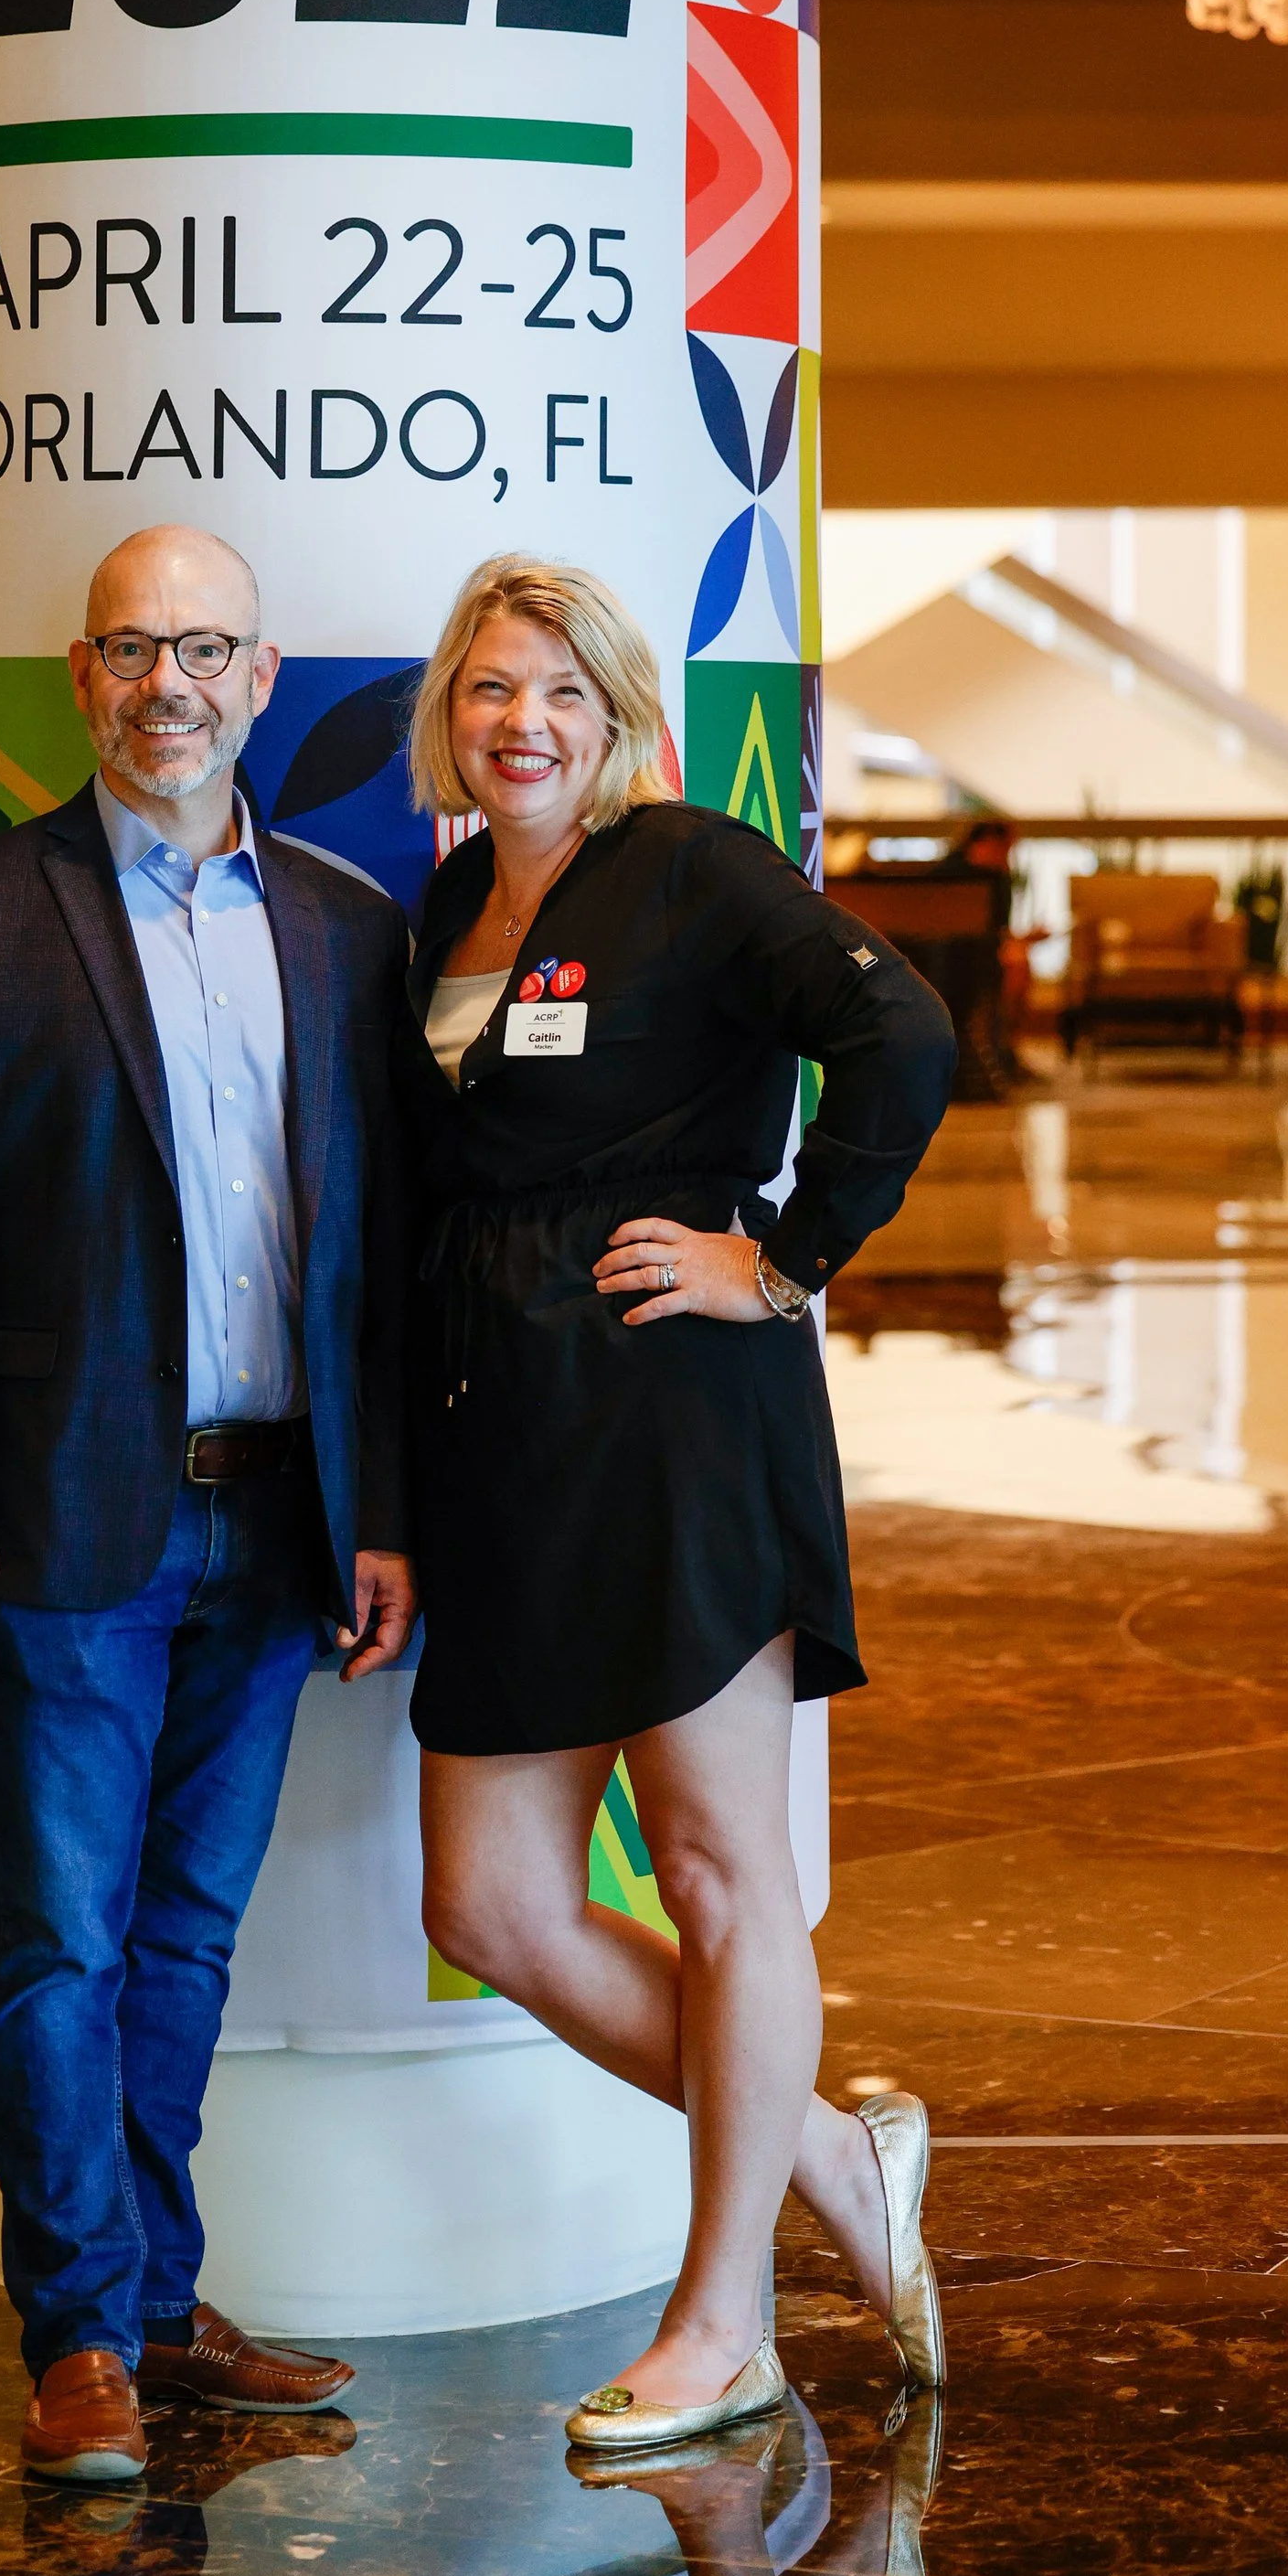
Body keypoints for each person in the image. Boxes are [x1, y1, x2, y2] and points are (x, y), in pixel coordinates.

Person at [0, 525, 417, 2487]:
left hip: (274, 1530)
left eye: (204, 647)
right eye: (126, 647)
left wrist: (380, 1505)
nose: (164, 681)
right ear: (78, 678)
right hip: (58, 1527)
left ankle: (160, 2308)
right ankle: (79, 2330)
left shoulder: (345, 925)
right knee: (63, 1944)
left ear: (263, 679)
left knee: (182, 1942)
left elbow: (368, 1258)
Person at [396, 554, 956, 2452]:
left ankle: (721, 2323)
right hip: (497, 1446)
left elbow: (908, 1035)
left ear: (616, 713)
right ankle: (828, 2147)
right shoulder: (447, 905)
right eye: (488, 688)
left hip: (675, 1430)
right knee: (486, 1902)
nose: (519, 722)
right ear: (448, 717)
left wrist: (781, 1259)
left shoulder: (695, 868)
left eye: (558, 688)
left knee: (720, 1876)